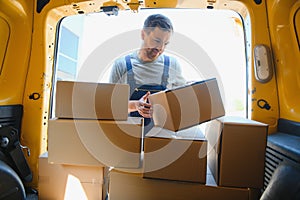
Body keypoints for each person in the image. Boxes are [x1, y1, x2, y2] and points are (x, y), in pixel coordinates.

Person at [109, 13, 186, 133]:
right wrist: (135, 105)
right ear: (143, 34)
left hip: (162, 137)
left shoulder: (172, 65)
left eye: (165, 44)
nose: (160, 48)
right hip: (129, 136)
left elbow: (181, 102)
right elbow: (112, 106)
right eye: (157, 40)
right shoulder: (121, 65)